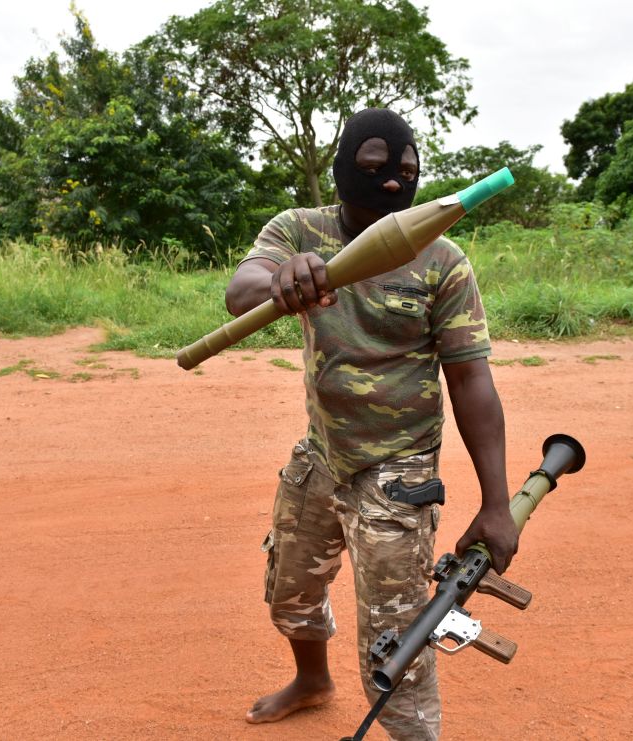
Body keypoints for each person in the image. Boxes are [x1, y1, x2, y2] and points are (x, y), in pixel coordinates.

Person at [225, 108, 517, 740]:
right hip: (322, 453)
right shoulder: (299, 230)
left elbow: (471, 381)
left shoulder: (442, 259)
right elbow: (241, 292)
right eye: (373, 168)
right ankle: (312, 682)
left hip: (399, 470)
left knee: (397, 640)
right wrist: (282, 276)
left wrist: (498, 503)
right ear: (341, 172)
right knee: (289, 590)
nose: (391, 183)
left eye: (407, 173)